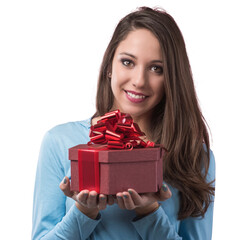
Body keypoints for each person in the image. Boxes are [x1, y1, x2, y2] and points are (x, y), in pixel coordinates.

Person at [32, 6, 215, 240]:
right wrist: (84, 212)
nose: (139, 81)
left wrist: (149, 213)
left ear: (172, 79)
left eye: (156, 69)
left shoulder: (194, 155)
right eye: (128, 62)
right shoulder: (59, 142)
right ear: (110, 66)